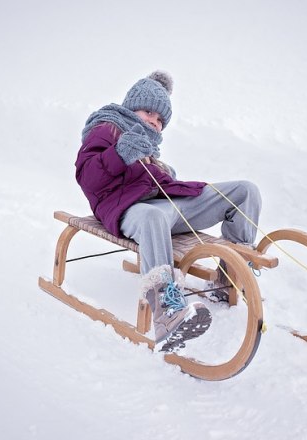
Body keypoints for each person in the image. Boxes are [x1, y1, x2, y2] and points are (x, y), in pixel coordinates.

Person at [75, 71, 262, 352]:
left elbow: (145, 177)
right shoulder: (108, 127)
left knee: (244, 190)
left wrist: (163, 173)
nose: (154, 120)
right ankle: (167, 311)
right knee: (153, 217)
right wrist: (119, 154)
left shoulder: (149, 145)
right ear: (131, 107)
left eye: (160, 119)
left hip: (166, 205)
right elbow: (88, 177)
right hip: (129, 210)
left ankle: (230, 277)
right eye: (148, 111)